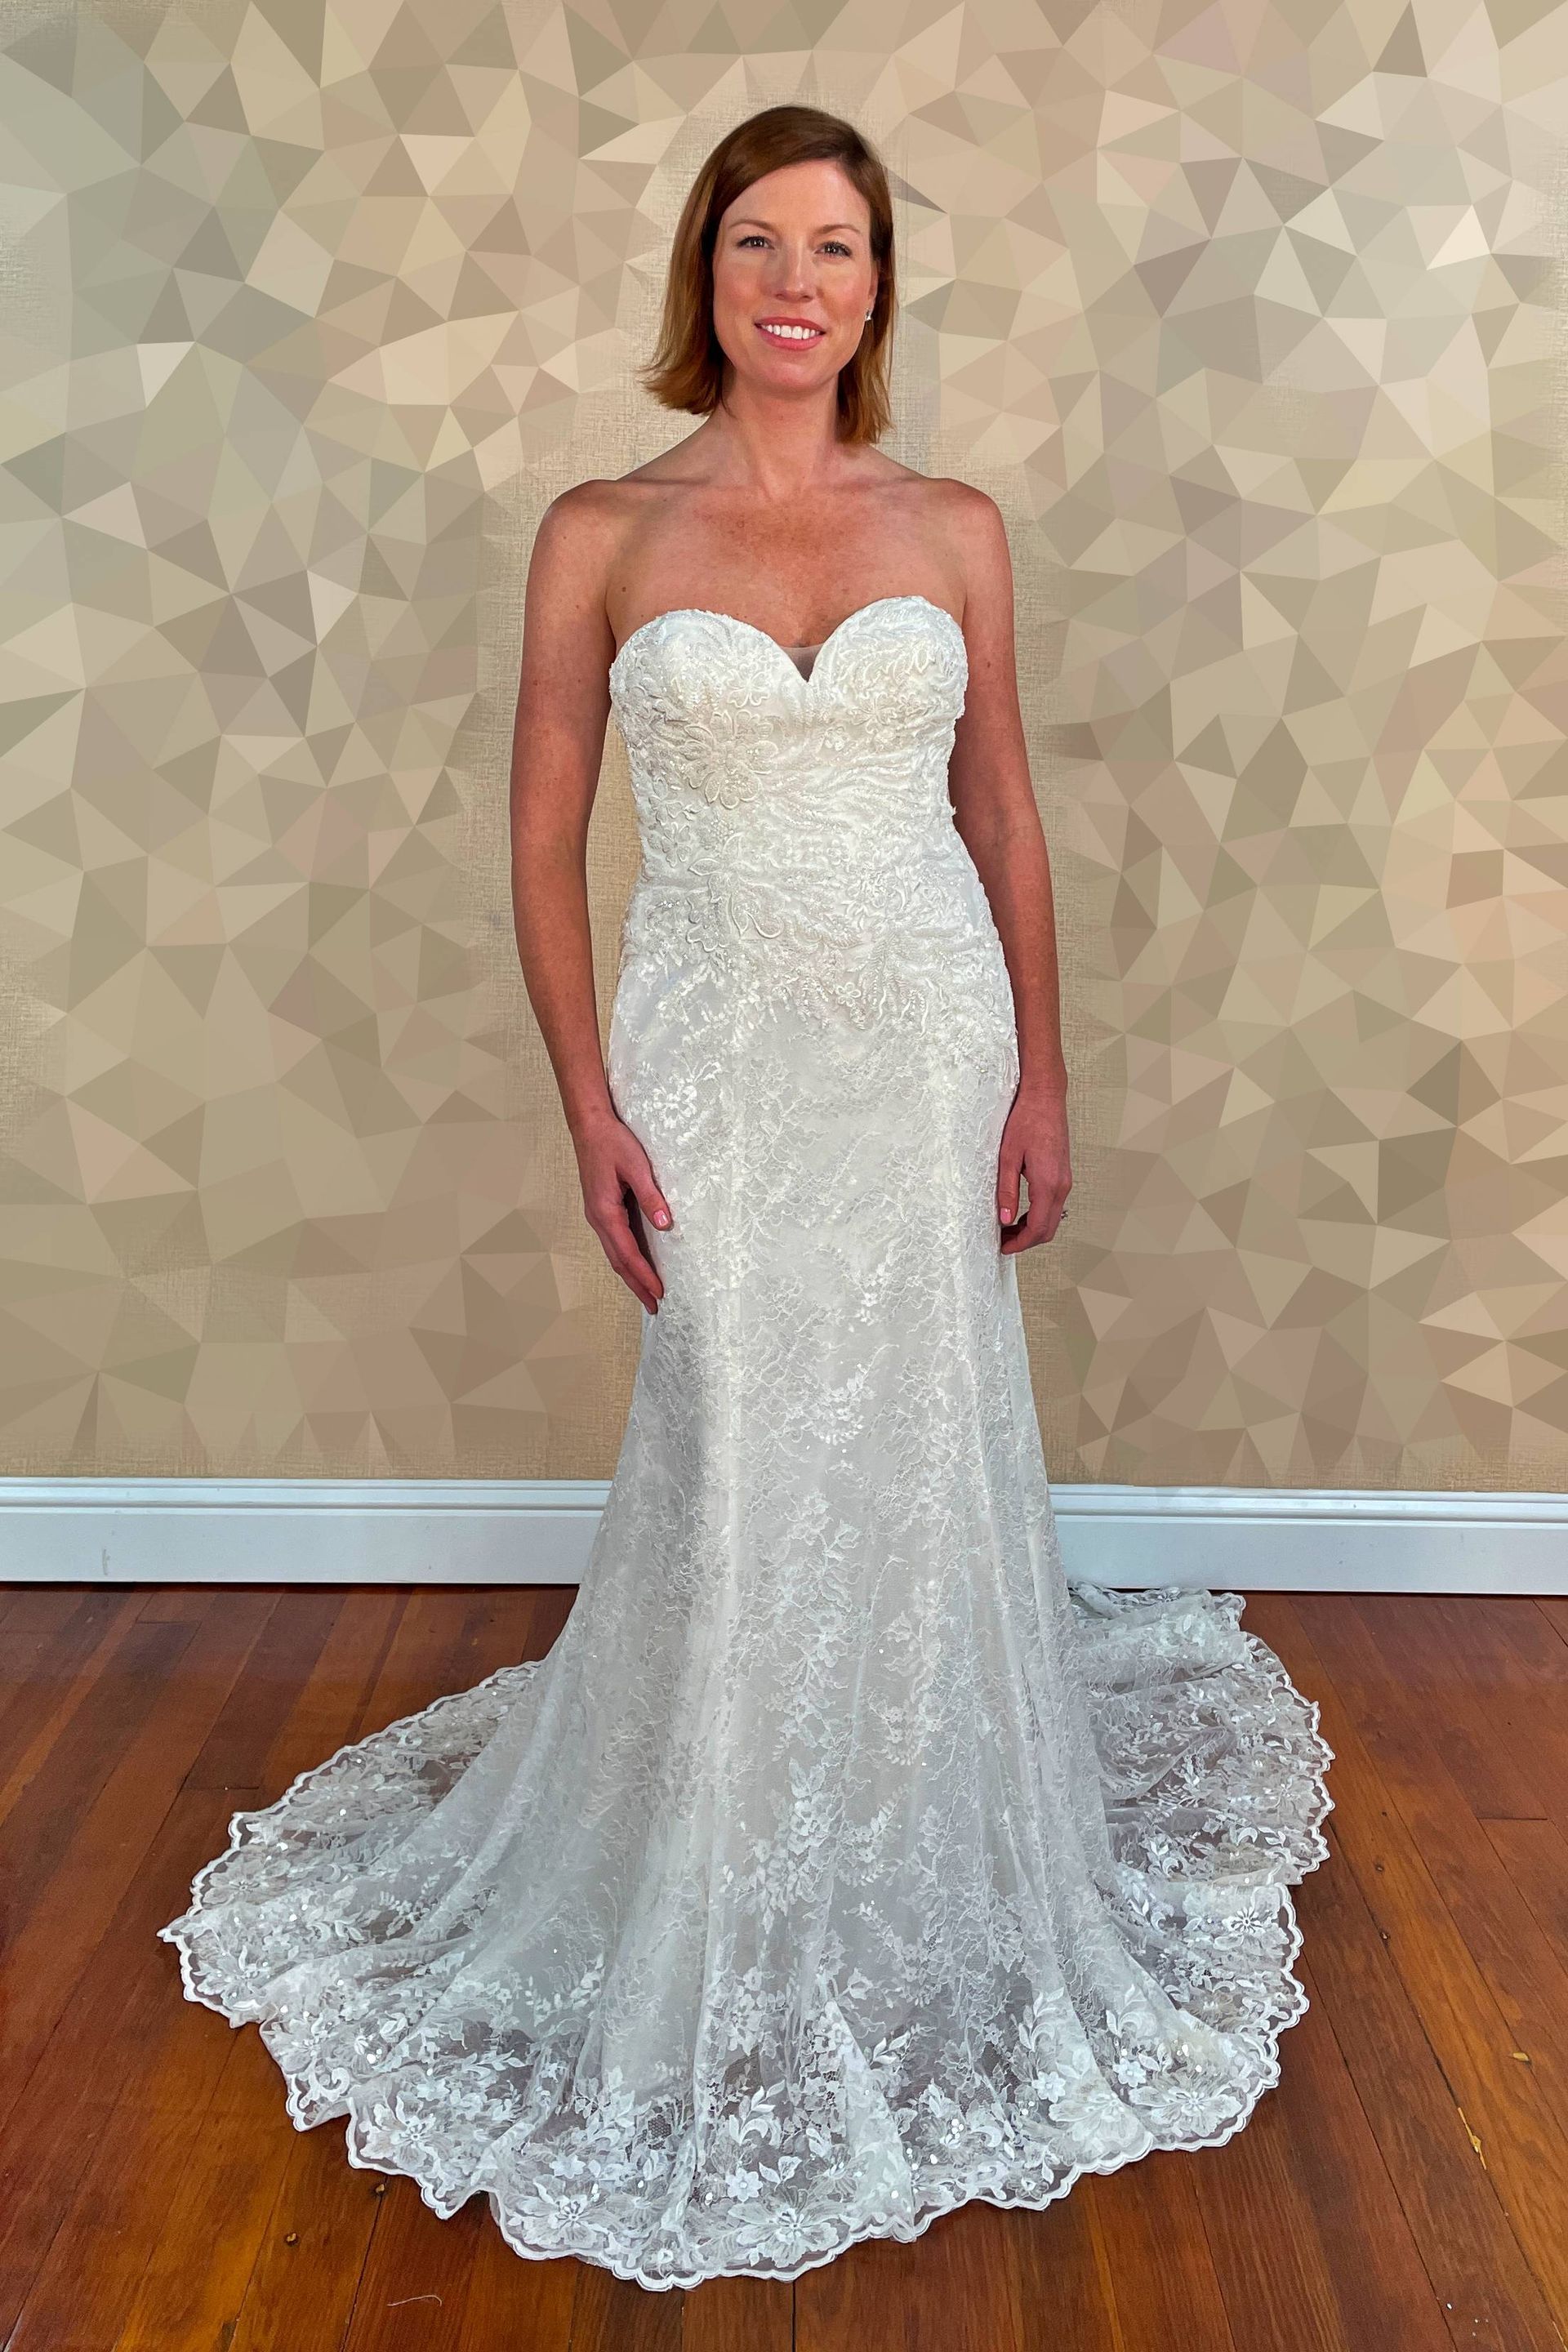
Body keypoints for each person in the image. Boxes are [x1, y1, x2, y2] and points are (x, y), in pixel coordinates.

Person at [159, 101, 1334, 2294]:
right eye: (757, 242)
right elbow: (534, 834)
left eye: (841, 246)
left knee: (906, 1438)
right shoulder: (600, 529)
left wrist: (1043, 1075)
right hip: (706, 1051)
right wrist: (584, 1097)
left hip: (919, 1038)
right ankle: (708, 1868)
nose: (799, 281)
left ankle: (907, 1846)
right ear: (702, 275)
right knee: (740, 1446)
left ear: (881, 289)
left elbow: (1003, 812)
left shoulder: (956, 527)